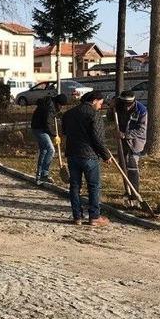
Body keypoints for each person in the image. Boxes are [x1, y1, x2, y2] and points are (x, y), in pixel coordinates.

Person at [61, 91, 112, 226]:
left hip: (72, 153)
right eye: (100, 104)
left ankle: (77, 217)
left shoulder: (69, 114)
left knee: (75, 186)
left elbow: (65, 132)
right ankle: (94, 217)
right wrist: (106, 155)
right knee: (94, 186)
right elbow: (98, 138)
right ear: (95, 100)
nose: (100, 107)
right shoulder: (94, 115)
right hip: (89, 156)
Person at [114, 91, 148, 202]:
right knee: (123, 165)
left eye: (129, 104)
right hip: (122, 141)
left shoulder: (141, 110)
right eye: (124, 103)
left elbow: (141, 130)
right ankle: (127, 190)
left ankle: (135, 192)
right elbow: (110, 118)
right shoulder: (118, 106)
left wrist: (125, 135)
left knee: (132, 165)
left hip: (135, 142)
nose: (127, 106)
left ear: (133, 101)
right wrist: (111, 108)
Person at [30, 94, 69, 185]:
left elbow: (52, 116)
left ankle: (39, 176)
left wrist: (59, 115)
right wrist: (55, 135)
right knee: (51, 149)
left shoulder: (50, 104)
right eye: (61, 105)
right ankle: (45, 174)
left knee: (44, 151)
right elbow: (48, 123)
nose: (61, 107)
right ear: (58, 103)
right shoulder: (49, 107)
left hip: (38, 127)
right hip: (39, 129)